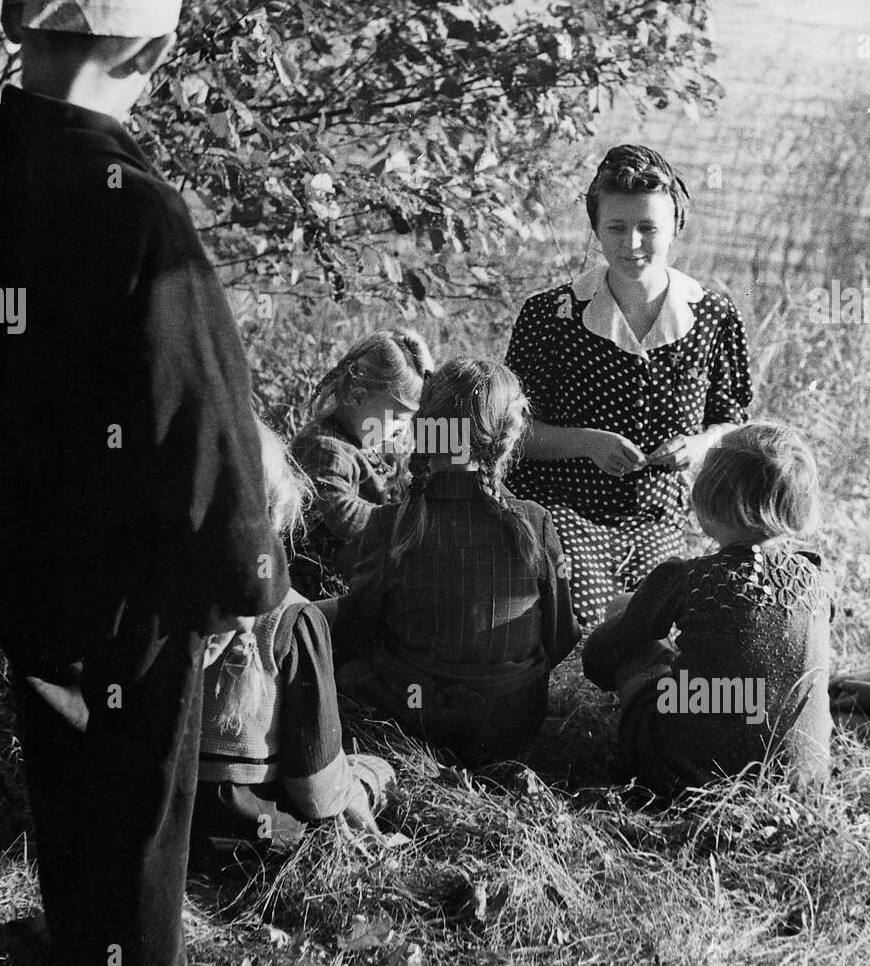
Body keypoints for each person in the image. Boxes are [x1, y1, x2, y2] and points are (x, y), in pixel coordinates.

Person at [0, 0, 289, 966]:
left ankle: (85, 939)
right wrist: (243, 575)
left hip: (13, 525)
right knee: (140, 769)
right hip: (126, 557)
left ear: (27, 25)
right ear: (150, 53)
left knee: (59, 739)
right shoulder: (133, 209)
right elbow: (195, 411)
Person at [505, 144, 752, 628]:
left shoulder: (714, 316)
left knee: (657, 623)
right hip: (564, 504)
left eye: (648, 228)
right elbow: (511, 434)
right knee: (593, 622)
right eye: (616, 227)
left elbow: (733, 424)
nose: (631, 243)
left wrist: (700, 445)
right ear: (596, 228)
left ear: (675, 228)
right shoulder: (551, 314)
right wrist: (586, 443)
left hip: (660, 512)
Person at [321, 359, 581, 766]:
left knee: (334, 665)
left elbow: (355, 631)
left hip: (413, 718)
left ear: (424, 428)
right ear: (509, 438)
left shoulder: (392, 523)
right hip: (513, 723)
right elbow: (562, 636)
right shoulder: (535, 520)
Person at [582, 423, 832, 799]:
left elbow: (600, 661)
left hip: (684, 774)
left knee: (626, 614)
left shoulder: (686, 577)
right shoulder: (817, 576)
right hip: (802, 783)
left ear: (708, 498)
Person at [194, 421, 394, 849]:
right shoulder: (294, 618)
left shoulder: (149, 598)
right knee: (374, 769)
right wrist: (351, 786)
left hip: (166, 823)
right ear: (278, 505)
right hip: (255, 830)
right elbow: (315, 789)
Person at [290, 329, 434, 599]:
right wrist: (403, 519)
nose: (401, 431)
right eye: (397, 419)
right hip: (321, 590)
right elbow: (342, 514)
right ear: (357, 397)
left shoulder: (374, 443)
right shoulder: (324, 446)